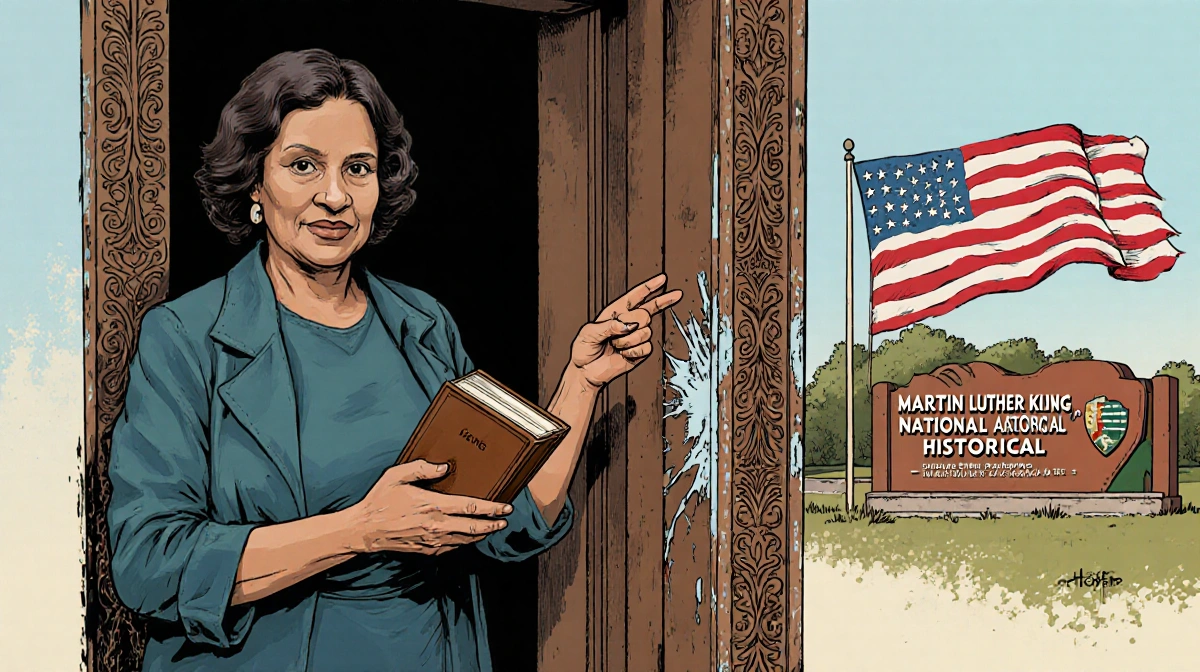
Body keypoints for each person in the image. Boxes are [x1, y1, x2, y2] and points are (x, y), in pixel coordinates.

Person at [106, 48, 682, 672]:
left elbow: (508, 520)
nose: (334, 196)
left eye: (358, 169)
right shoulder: (186, 339)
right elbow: (150, 564)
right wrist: (361, 529)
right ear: (253, 183)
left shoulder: (423, 324)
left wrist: (581, 382)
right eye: (303, 166)